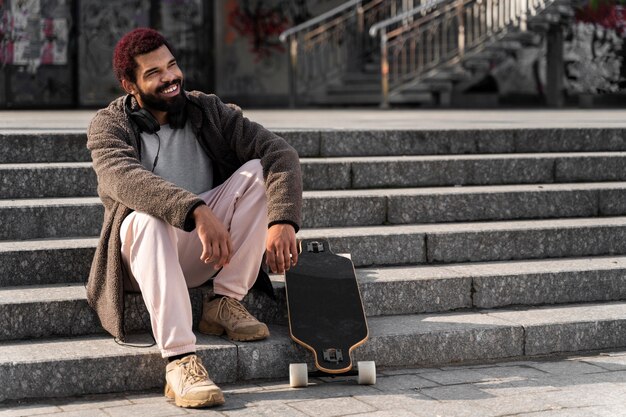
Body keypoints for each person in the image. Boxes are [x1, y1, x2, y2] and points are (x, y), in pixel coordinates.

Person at [86, 28, 302, 409]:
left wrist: (282, 220)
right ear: (129, 85)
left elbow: (279, 153)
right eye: (154, 73)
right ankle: (180, 360)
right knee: (145, 219)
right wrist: (196, 210)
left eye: (172, 65)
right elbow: (125, 179)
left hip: (206, 253)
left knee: (256, 171)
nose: (170, 77)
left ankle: (225, 302)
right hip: (144, 257)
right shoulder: (109, 125)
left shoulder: (208, 110)